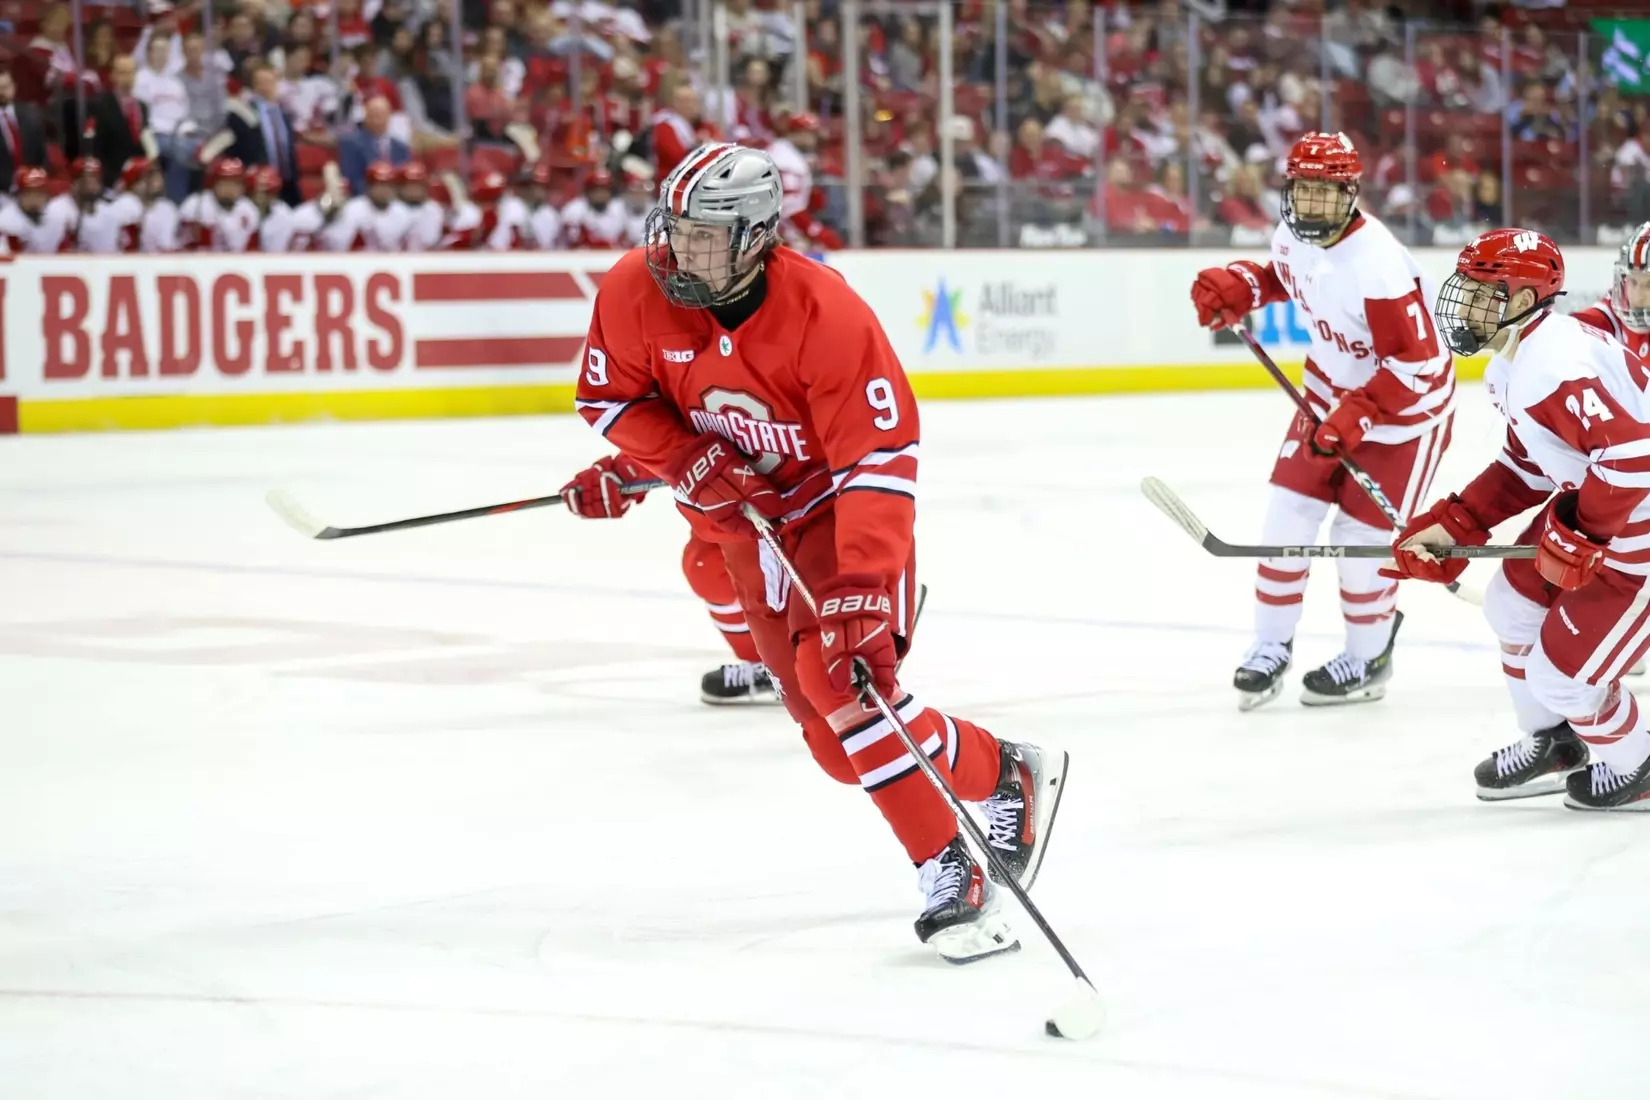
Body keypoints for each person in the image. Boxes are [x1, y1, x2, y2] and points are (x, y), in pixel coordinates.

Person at [572, 142, 1068, 960]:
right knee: (838, 749)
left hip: (835, 516)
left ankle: (950, 870)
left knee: (840, 681)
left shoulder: (825, 313)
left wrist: (865, 586)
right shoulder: (636, 287)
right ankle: (1004, 770)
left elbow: (879, 459)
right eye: (672, 229)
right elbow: (610, 398)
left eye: (701, 237)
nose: (674, 251)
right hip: (747, 531)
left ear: (757, 237)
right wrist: (652, 465)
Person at [1189, 132, 1456, 710]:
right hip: (1328, 398)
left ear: (1351, 194)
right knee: (1287, 517)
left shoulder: (1377, 265)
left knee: (1360, 542)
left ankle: (1367, 657)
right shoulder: (1292, 234)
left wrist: (1361, 410)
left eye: (1326, 192)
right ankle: (1270, 646)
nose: (1312, 203)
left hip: (1403, 420)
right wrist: (1245, 285)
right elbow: (1285, 277)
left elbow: (1420, 361)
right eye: (1303, 189)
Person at [1387, 228, 1650, 811]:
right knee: (1510, 605)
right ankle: (1555, 743)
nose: (1467, 303)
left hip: (1639, 532)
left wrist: (1584, 533)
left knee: (1565, 679)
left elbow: (1634, 459)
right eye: (1469, 288)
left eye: (1485, 293)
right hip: (1612, 507)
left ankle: (1641, 765)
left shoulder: (1551, 361)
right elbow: (1530, 462)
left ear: (1526, 300)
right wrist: (1455, 524)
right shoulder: (1517, 361)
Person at [558, 455, 783, 705]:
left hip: (817, 488)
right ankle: (772, 668)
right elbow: (682, 434)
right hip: (750, 489)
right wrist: (624, 472)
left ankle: (826, 648)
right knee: (709, 565)